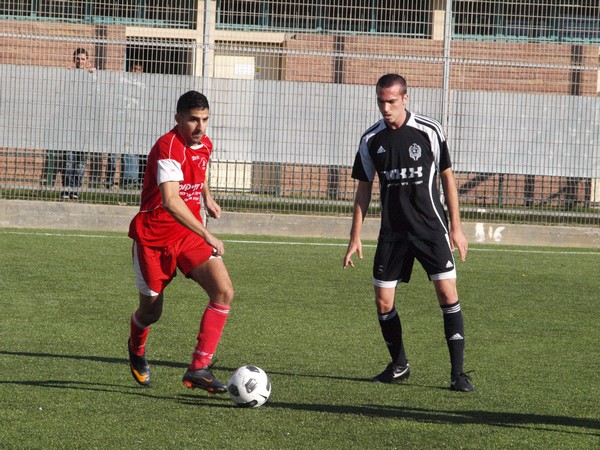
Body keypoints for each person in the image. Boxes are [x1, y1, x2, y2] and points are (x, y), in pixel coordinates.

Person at [343, 74, 473, 392]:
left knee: (447, 294)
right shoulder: (371, 139)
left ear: (405, 98)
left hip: (430, 229)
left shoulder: (429, 130)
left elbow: (447, 178)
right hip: (393, 233)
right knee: (383, 302)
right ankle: (399, 365)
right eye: (380, 101)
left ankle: (458, 374)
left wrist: (456, 228)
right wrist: (355, 236)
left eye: (391, 101)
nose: (385, 108)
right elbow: (363, 189)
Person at [127, 90, 234, 394]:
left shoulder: (205, 144)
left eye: (205, 119)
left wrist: (207, 197)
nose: (200, 127)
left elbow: (199, 172)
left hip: (187, 236)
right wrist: (208, 234)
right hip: (154, 240)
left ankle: (198, 368)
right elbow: (171, 201)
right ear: (178, 119)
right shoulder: (168, 146)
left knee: (224, 291)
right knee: (151, 313)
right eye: (193, 120)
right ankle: (136, 346)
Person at [61, 48, 95, 199]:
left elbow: (96, 95)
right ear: (74, 59)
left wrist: (94, 76)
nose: (80, 61)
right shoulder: (70, 75)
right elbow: (62, 93)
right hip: (70, 123)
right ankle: (67, 188)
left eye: (83, 59)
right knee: (69, 158)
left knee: (81, 160)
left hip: (85, 125)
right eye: (78, 59)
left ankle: (75, 189)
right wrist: (68, 75)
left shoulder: (90, 76)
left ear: (87, 61)